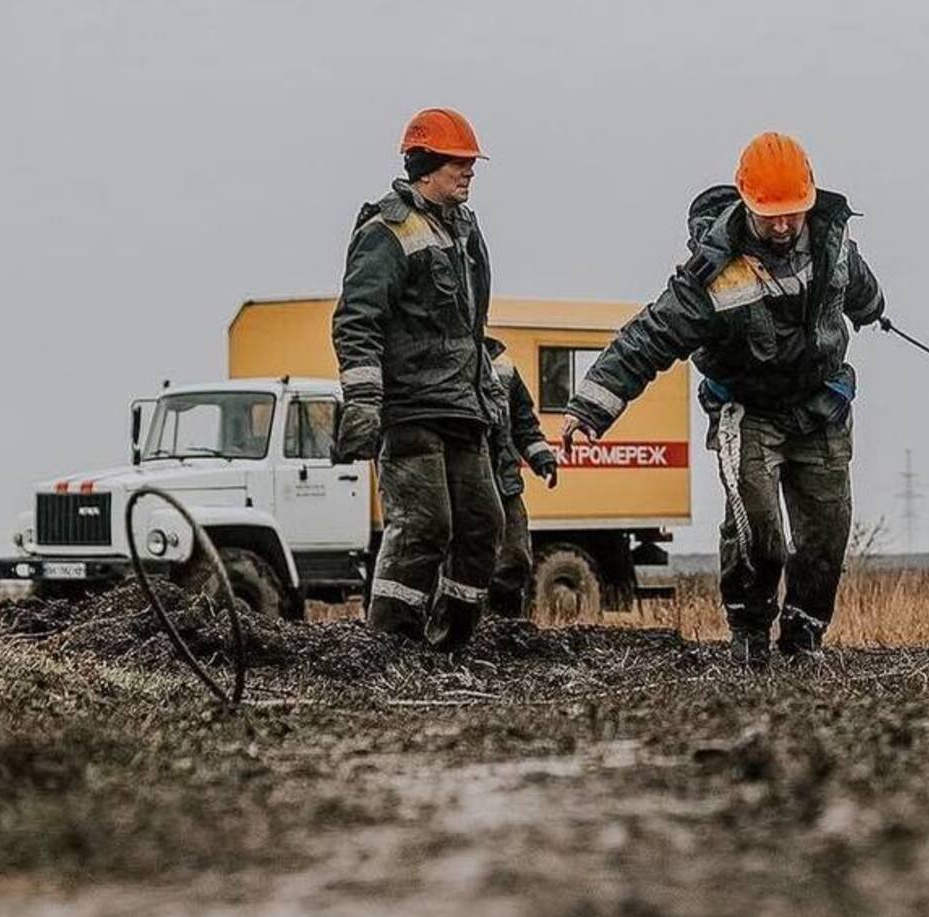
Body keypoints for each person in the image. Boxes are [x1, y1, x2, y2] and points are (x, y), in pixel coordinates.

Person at [560, 132, 885, 666]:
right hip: (748, 412)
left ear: (809, 200)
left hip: (822, 407)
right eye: (769, 215)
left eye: (792, 214)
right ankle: (750, 631)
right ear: (745, 203)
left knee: (828, 534)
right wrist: (590, 408)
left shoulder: (834, 241)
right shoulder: (710, 274)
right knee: (759, 532)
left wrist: (873, 308)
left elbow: (859, 287)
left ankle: (804, 637)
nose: (782, 227)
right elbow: (649, 337)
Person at [332, 107, 503, 652]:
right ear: (426, 166)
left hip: (462, 406)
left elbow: (471, 329)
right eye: (460, 162)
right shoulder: (386, 232)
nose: (469, 172)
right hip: (410, 409)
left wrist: (488, 392)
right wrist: (363, 400)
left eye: (471, 163)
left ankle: (451, 647)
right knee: (423, 526)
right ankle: (390, 647)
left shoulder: (466, 231)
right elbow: (357, 320)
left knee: (482, 527)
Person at [483, 339, 559, 622]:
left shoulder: (504, 367)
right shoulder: (443, 359)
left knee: (515, 557)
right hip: (464, 485)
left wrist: (541, 457)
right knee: (463, 563)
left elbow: (523, 422)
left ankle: (506, 628)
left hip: (504, 484)